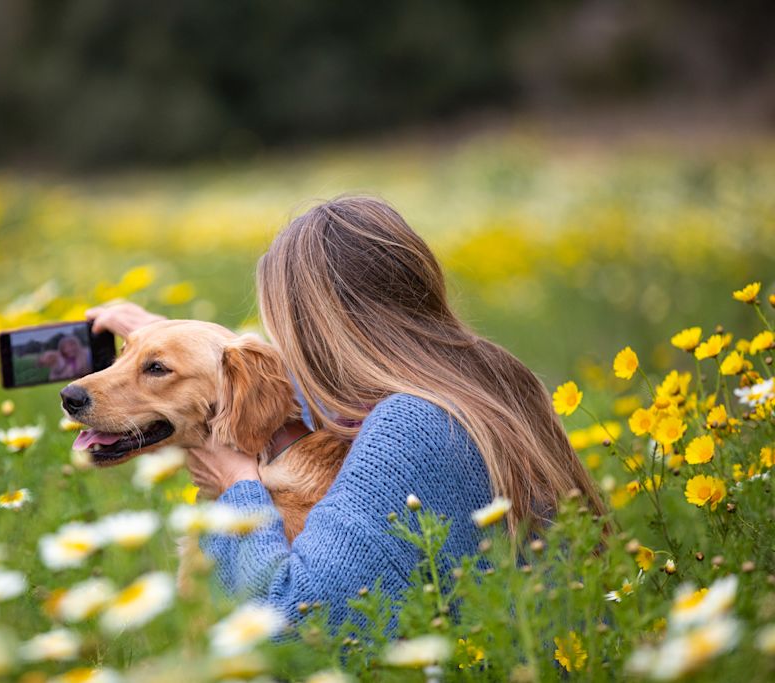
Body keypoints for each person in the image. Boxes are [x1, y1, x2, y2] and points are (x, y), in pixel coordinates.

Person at [86, 196, 605, 628]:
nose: (281, 348)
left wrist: (236, 486)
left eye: (282, 328)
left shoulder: (410, 426)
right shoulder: (488, 377)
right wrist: (169, 343)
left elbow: (294, 627)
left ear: (317, 330)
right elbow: (281, 397)